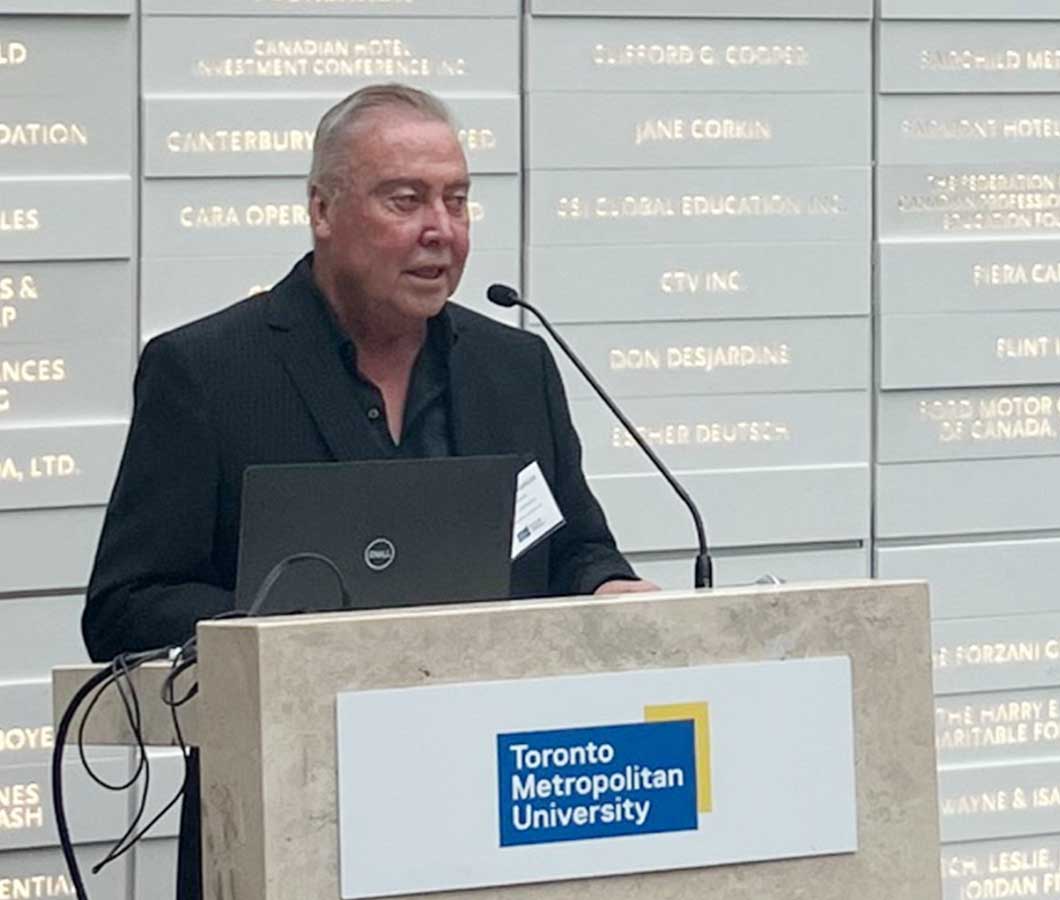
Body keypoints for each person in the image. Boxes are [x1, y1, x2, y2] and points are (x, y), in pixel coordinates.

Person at [82, 83, 654, 900]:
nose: (441, 231)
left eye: (457, 201)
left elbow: (570, 549)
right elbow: (125, 606)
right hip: (293, 823)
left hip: (500, 820)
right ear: (323, 209)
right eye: (405, 200)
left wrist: (610, 586)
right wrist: (292, 634)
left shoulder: (514, 367)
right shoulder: (207, 372)